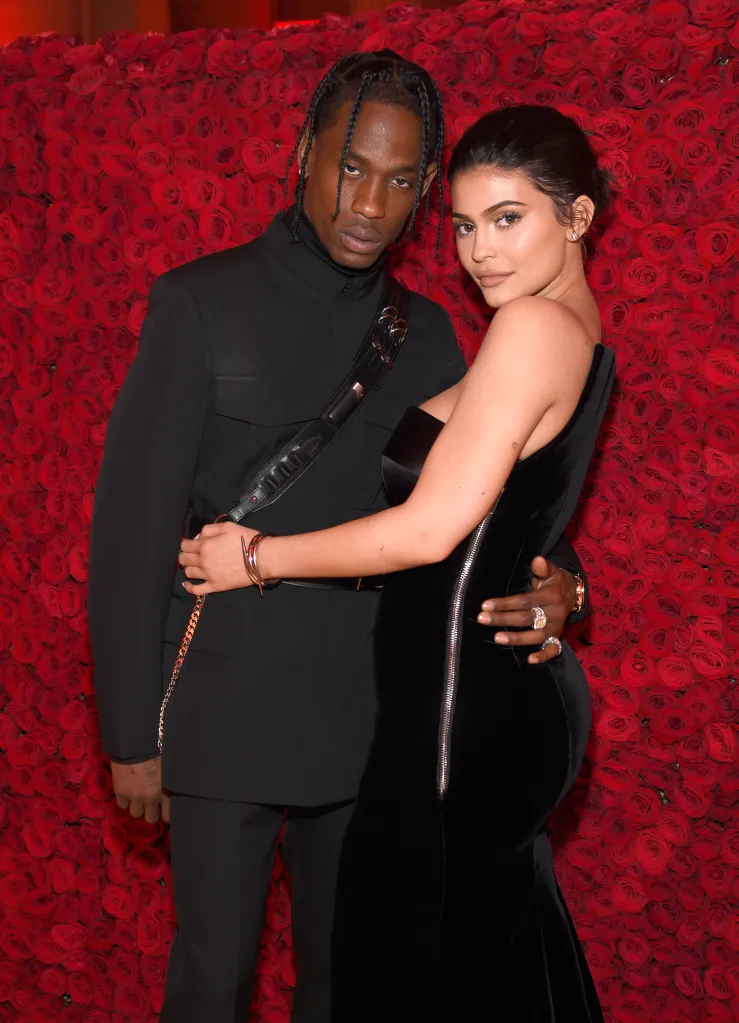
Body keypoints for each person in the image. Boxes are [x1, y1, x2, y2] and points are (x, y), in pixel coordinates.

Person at [88, 52, 589, 1023]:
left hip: (371, 713)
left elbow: (495, 491)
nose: (370, 200)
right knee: (210, 986)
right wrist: (128, 735)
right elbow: (131, 532)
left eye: (402, 181)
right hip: (218, 705)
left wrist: (565, 584)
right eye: (352, 166)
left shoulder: (436, 332)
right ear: (304, 154)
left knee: (348, 984)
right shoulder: (198, 303)